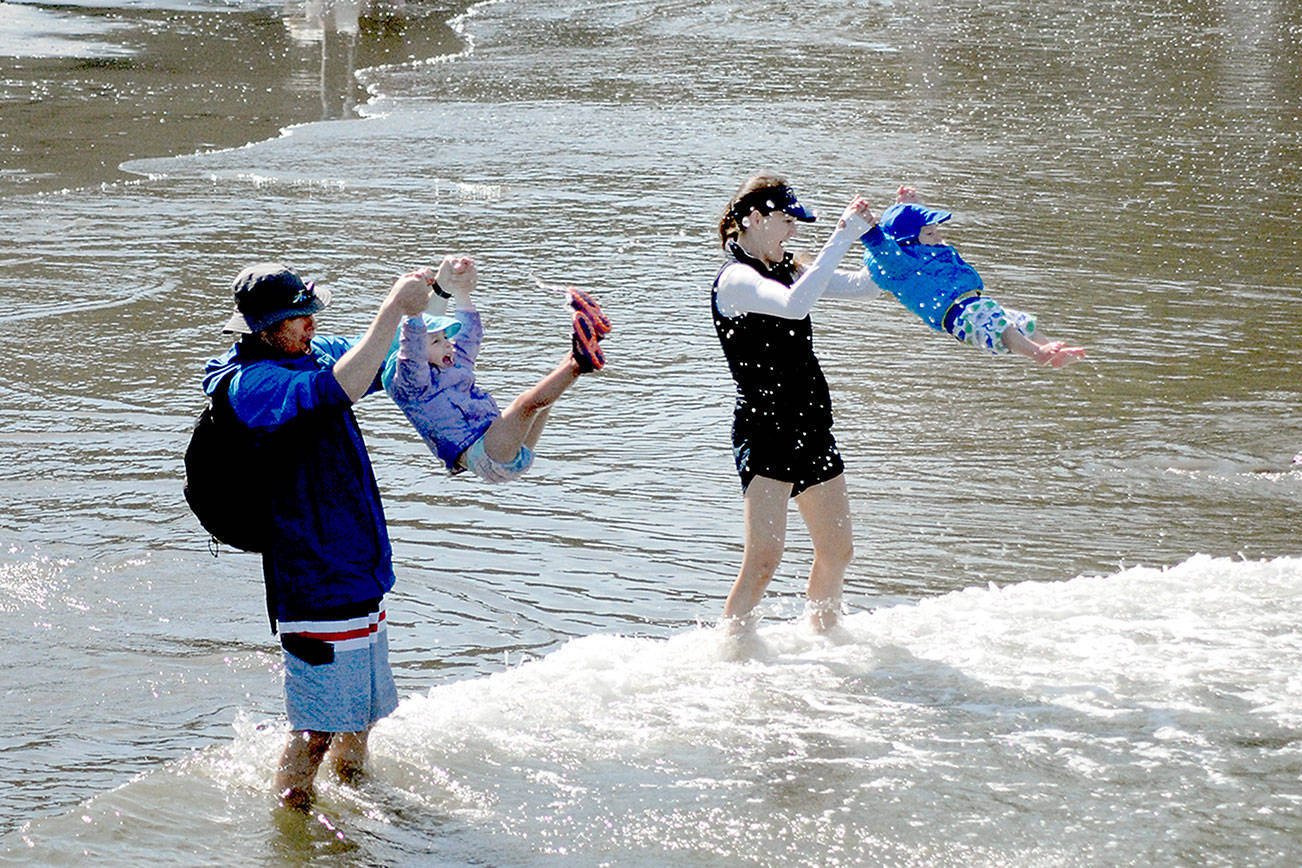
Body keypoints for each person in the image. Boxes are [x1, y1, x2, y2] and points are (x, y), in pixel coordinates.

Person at [201, 261, 431, 810]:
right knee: (316, 730)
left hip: (357, 565)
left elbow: (383, 358)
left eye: (311, 311)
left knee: (362, 716)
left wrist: (438, 300)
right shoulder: (250, 385)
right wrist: (393, 306)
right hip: (311, 577)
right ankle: (292, 821)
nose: (312, 322)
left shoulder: (312, 351)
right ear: (264, 330)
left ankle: (359, 801)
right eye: (298, 316)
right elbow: (340, 387)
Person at [711, 172, 880, 634]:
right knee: (764, 560)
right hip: (766, 430)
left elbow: (866, 286)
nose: (792, 231)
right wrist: (842, 235)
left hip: (811, 424)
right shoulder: (736, 280)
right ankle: (730, 655)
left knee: (837, 551)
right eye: (787, 220)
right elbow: (793, 306)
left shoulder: (793, 269)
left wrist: (895, 238)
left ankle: (824, 640)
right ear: (753, 218)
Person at [383, 255, 611, 483]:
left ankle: (588, 341)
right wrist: (413, 312)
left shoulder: (452, 364)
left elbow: (469, 337)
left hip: (505, 445)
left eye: (445, 338)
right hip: (484, 453)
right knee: (526, 403)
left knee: (544, 402)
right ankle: (580, 360)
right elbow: (411, 353)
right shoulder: (413, 385)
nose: (447, 344)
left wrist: (463, 294)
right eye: (436, 341)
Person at [861, 186, 1086, 367]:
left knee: (1020, 322)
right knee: (1000, 326)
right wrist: (869, 227)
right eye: (930, 233)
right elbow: (883, 247)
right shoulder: (901, 264)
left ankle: (1051, 354)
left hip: (974, 306)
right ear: (907, 240)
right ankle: (1038, 353)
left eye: (936, 230)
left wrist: (910, 205)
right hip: (957, 316)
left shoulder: (926, 249)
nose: (937, 236)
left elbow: (904, 226)